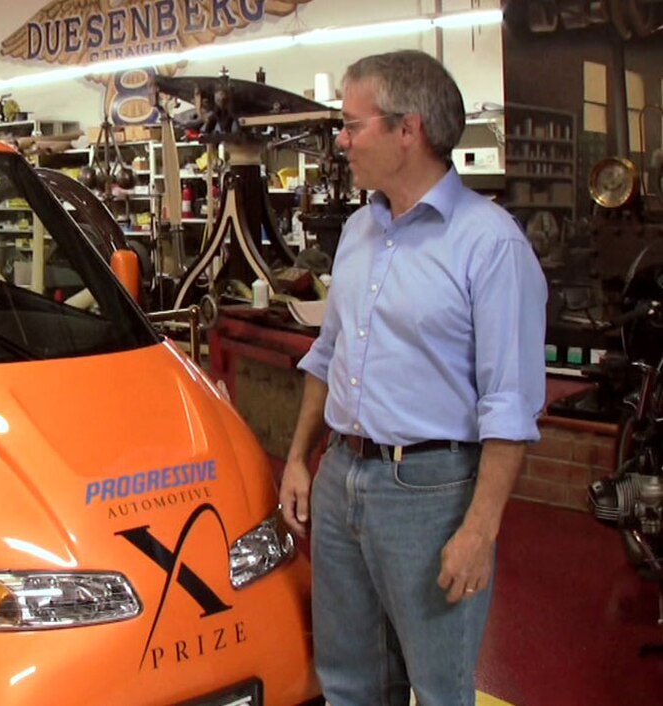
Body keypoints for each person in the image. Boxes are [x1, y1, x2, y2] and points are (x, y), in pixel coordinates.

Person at [279, 50, 547, 706]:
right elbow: (329, 353)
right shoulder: (359, 230)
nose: (342, 142)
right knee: (349, 681)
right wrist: (299, 459)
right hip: (342, 477)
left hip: (429, 492)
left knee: (437, 687)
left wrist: (479, 530)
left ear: (409, 129)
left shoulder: (490, 244)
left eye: (353, 125)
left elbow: (510, 404)